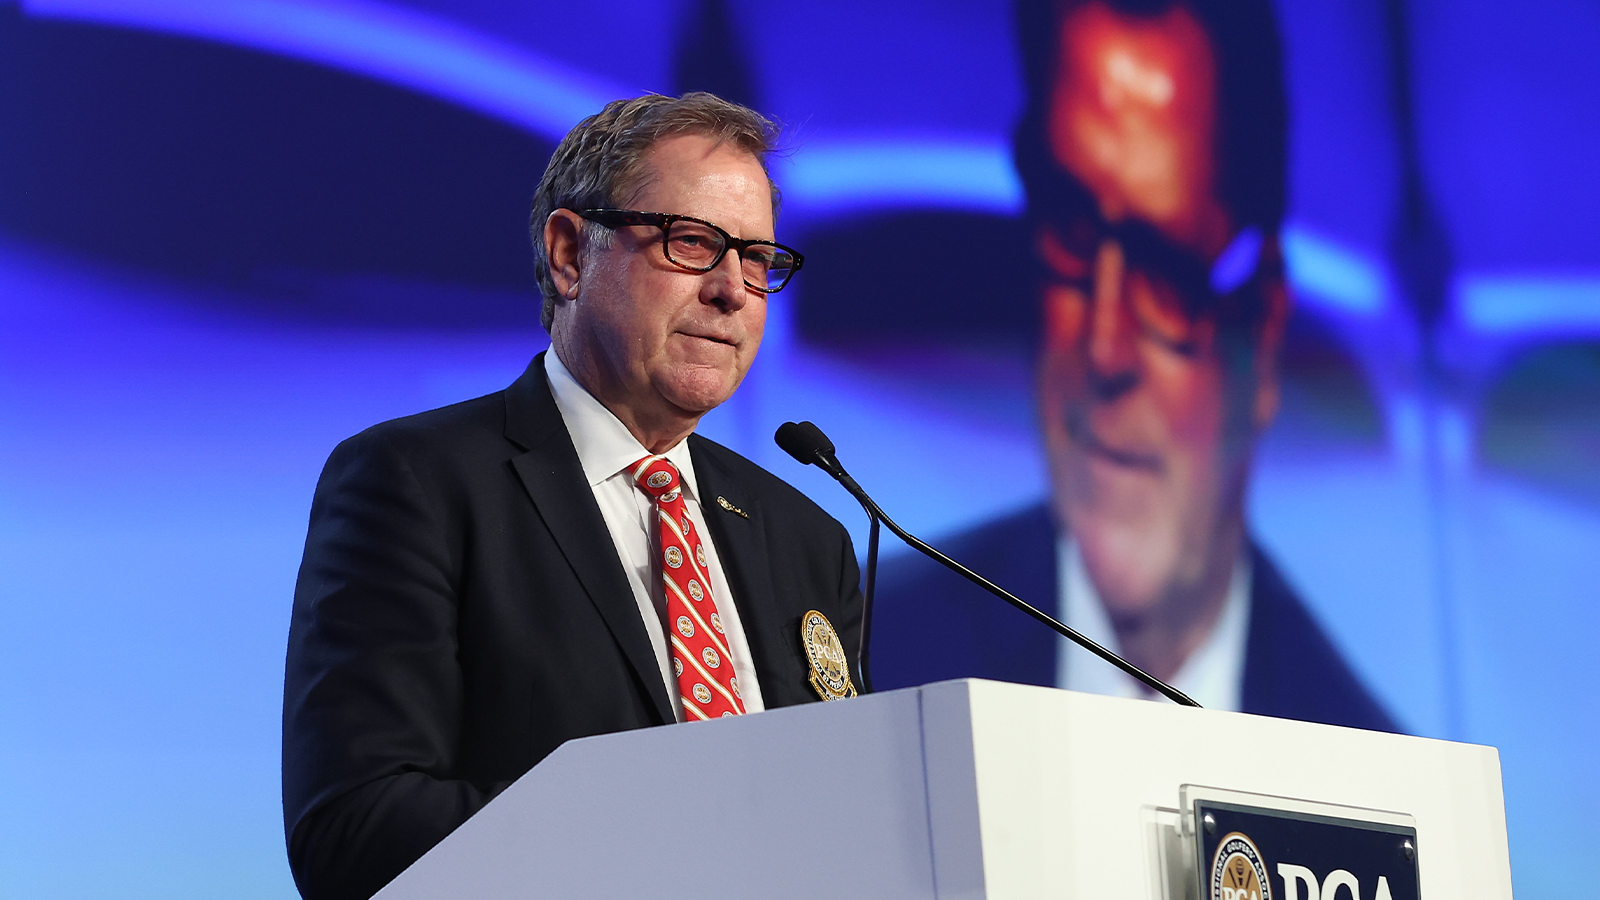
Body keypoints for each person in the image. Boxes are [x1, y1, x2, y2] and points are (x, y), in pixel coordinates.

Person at [282, 93, 863, 900]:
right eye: (693, 243)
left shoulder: (807, 534)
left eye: (759, 258)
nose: (734, 290)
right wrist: (680, 836)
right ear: (569, 254)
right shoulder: (417, 483)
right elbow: (355, 832)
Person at [871, 0, 1397, 731]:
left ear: (1266, 331)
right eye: (1072, 232)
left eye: (1170, 272)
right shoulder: (862, 663)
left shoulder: (1373, 777)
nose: (1105, 348)